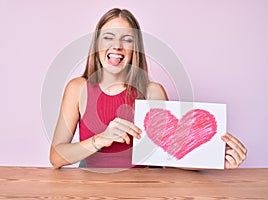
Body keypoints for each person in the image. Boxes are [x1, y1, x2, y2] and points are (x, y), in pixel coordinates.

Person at [49, 8, 247, 169]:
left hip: (141, 189)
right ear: (97, 45)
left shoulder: (152, 92)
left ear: (135, 49)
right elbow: (56, 158)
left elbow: (171, 154)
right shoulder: (77, 89)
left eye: (127, 39)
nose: (117, 46)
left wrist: (215, 160)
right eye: (108, 37)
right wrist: (100, 140)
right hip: (89, 189)